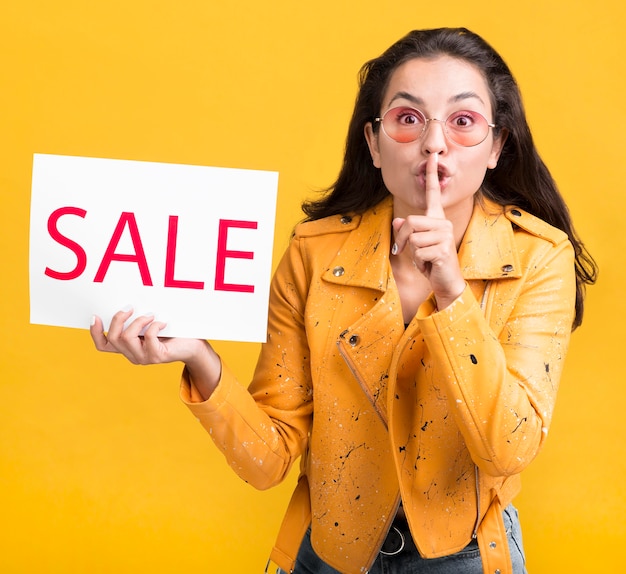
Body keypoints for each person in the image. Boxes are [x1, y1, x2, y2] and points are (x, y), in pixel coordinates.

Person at [91, 27, 597, 574]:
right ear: (375, 144)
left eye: (463, 121)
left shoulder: (539, 258)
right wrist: (199, 358)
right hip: (332, 552)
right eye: (408, 119)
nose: (433, 143)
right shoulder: (313, 254)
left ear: (497, 146)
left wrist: (452, 295)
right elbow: (269, 461)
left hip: (467, 553)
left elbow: (509, 449)